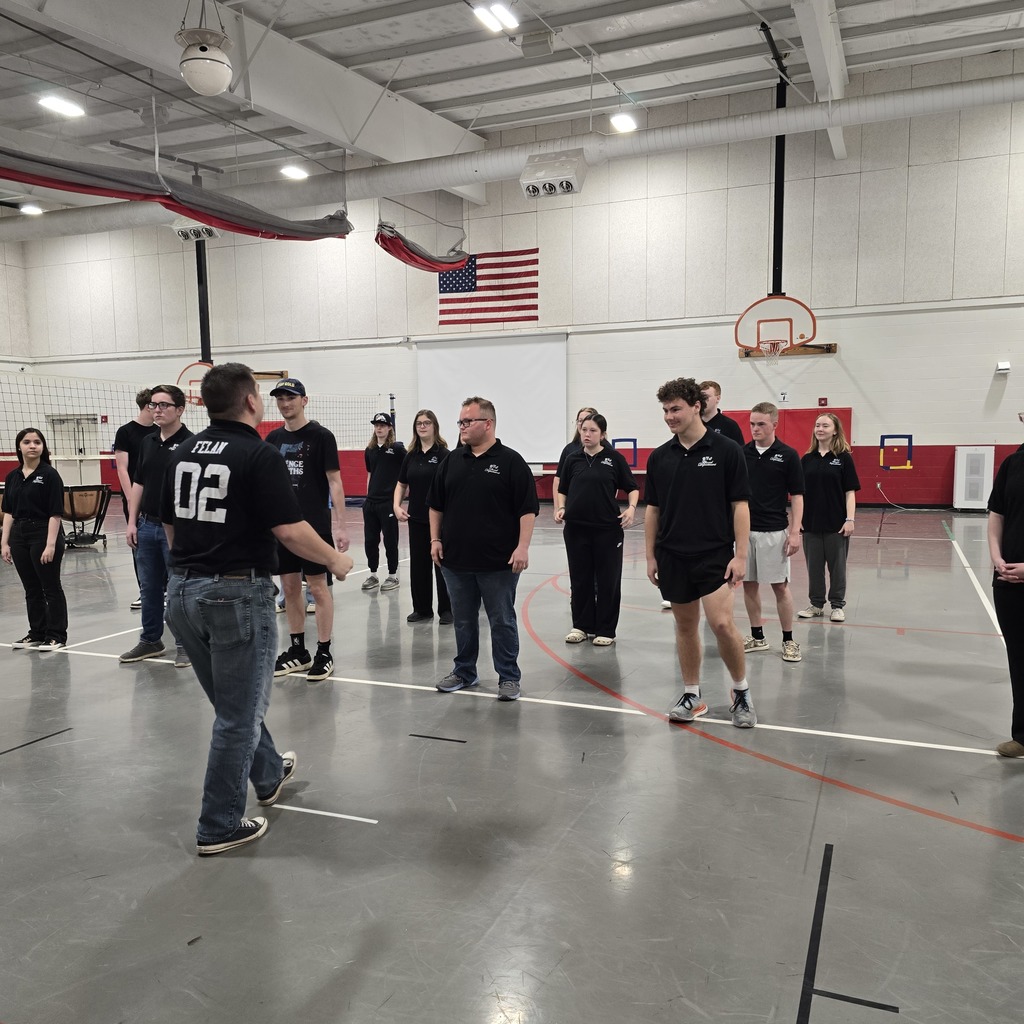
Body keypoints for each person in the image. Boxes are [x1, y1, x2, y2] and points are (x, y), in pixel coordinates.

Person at [162, 362, 354, 856]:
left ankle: (268, 774)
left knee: (234, 704)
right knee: (238, 717)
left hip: (181, 592)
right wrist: (336, 559)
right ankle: (218, 825)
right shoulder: (258, 452)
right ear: (251, 401)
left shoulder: (181, 450)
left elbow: (168, 526)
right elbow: (289, 530)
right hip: (233, 594)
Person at [644, 377, 755, 728]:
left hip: (714, 554)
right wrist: (650, 556)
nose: (669, 416)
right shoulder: (660, 457)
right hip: (673, 555)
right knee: (685, 626)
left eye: (675, 409)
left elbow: (740, 505)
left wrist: (740, 555)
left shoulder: (726, 450)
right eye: (665, 410)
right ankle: (692, 694)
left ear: (696, 407)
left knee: (722, 624)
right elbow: (653, 510)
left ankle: (741, 692)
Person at [428, 396, 539, 701]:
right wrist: (435, 540)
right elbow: (435, 505)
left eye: (468, 421)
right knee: (463, 620)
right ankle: (465, 671)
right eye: (460, 422)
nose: (461, 427)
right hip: (455, 561)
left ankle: (508, 677)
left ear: (487, 424)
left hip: (498, 562)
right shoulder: (451, 460)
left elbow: (527, 510)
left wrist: (522, 547)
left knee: (501, 619)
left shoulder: (511, 462)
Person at [264, 378, 350, 682]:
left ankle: (324, 651)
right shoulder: (272, 439)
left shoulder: (321, 436)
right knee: (289, 589)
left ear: (304, 400)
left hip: (313, 527)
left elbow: (335, 482)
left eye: (291, 397)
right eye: (280, 398)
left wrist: (339, 526)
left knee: (317, 587)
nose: (285, 403)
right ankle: (298, 650)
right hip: (283, 528)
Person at [120, 386, 192, 667]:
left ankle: (186, 644)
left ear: (180, 410)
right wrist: (131, 522)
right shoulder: (148, 442)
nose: (157, 410)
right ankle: (151, 640)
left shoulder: (191, 443)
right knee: (149, 587)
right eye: (153, 405)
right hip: (147, 526)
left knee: (178, 587)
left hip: (177, 529)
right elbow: (139, 483)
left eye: (164, 405)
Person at [555, 413, 638, 646]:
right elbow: (563, 488)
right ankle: (581, 625)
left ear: (602, 434)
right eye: (583, 430)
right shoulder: (572, 459)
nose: (587, 434)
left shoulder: (614, 458)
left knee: (607, 580)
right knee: (580, 578)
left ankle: (606, 629)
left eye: (592, 430)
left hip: (607, 530)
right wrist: (561, 507)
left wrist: (631, 508)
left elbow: (632, 487)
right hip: (576, 529)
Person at [741, 402, 805, 663]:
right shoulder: (741, 453)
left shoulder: (788, 455)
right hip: (744, 531)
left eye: (761, 424)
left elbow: (798, 496)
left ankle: (788, 640)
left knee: (780, 587)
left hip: (774, 531)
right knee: (748, 584)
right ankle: (757, 637)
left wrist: (795, 531)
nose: (755, 429)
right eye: (752, 424)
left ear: (774, 425)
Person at [2, 428, 68, 651]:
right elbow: (9, 511)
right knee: (31, 588)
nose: (32, 446)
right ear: (19, 446)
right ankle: (37, 632)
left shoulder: (49, 475)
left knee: (50, 587)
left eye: (37, 442)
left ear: (43, 446)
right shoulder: (12, 477)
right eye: (27, 442)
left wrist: (50, 544)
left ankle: (57, 635)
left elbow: (55, 513)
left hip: (43, 533)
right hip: (19, 535)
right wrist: (4, 542)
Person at [798, 412, 860, 623]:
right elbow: (799, 494)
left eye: (825, 425)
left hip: (837, 524)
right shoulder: (806, 459)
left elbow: (850, 492)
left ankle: (837, 605)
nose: (820, 429)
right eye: (817, 425)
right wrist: (798, 521)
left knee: (837, 568)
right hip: (811, 524)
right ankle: (816, 604)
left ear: (835, 430)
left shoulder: (843, 459)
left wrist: (850, 519)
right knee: (814, 567)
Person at [987, 415, 1024, 758]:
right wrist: (996, 556)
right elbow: (996, 513)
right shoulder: (1013, 463)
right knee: (1018, 656)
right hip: (1008, 580)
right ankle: (1022, 734)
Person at [394, 409, 452, 624]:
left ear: (434, 426)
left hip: (441, 521)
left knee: (441, 564)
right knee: (418, 565)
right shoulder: (411, 456)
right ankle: (422, 609)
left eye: (427, 423)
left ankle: (447, 609)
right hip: (416, 519)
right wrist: (396, 505)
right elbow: (401, 484)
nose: (422, 426)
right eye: (419, 423)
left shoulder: (445, 455)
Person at [112, 388, 156, 610]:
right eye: (156, 405)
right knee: (138, 543)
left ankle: (164, 588)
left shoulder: (159, 432)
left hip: (157, 499)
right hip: (135, 497)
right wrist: (132, 501)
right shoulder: (126, 432)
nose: (159, 409)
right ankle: (145, 591)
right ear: (148, 406)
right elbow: (122, 469)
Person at [362, 413, 405, 593]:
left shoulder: (397, 449)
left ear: (389, 428)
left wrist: (398, 502)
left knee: (390, 541)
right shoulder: (370, 450)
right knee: (370, 541)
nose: (379, 428)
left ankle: (393, 576)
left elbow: (405, 476)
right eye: (376, 425)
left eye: (382, 425)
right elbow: (370, 474)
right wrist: (367, 496)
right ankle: (373, 574)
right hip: (371, 504)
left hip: (387, 503)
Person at [551, 406, 599, 520]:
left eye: (585, 419)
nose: (582, 424)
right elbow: (558, 480)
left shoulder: (607, 450)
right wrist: (558, 508)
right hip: (574, 510)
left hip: (599, 511)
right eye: (580, 421)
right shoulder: (569, 450)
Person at [698, 380, 745, 446]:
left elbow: (739, 452)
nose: (702, 400)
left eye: (706, 397)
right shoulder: (692, 424)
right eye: (700, 397)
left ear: (718, 398)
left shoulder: (730, 425)